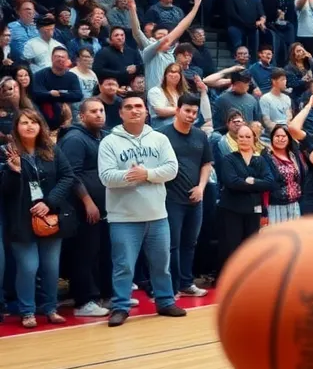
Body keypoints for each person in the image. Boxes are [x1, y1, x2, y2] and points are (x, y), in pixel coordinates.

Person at [98, 94, 187, 327]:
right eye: (129, 107)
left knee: (161, 264)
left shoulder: (159, 138)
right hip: (123, 218)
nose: (134, 110)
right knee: (123, 266)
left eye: (139, 106)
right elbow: (106, 177)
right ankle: (120, 306)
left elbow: (172, 169)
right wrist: (134, 176)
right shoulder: (109, 142)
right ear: (121, 113)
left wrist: (146, 174)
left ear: (146, 111)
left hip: (157, 215)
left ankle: (165, 301)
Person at [2, 109, 77, 328]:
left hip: (49, 216)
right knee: (28, 267)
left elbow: (68, 176)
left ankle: (51, 308)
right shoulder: (6, 151)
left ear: (40, 126)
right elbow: (4, 189)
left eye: (34, 122)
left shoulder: (52, 149)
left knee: (51, 267)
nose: (29, 126)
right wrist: (13, 172)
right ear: (16, 127)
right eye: (24, 122)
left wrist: (49, 202)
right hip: (20, 219)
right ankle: (27, 311)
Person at [58, 98, 112, 318]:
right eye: (93, 111)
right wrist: (88, 202)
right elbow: (72, 175)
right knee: (84, 254)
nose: (99, 114)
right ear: (82, 116)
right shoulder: (75, 139)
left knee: (103, 252)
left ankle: (105, 295)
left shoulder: (105, 137)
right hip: (82, 209)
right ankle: (84, 301)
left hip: (106, 207)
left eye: (101, 110)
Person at [163, 94, 213, 298]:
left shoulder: (200, 135)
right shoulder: (162, 135)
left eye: (195, 112)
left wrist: (201, 187)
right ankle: (172, 286)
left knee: (190, 243)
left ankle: (186, 282)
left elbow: (206, 163)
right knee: (172, 244)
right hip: (170, 199)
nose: (191, 115)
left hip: (196, 198)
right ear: (177, 110)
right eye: (187, 111)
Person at [217, 125, 276, 268]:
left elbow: (270, 182)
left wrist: (252, 181)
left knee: (251, 246)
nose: (244, 140)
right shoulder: (228, 159)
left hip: (253, 210)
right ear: (236, 139)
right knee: (232, 247)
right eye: (241, 137)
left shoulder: (260, 160)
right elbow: (232, 182)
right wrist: (255, 184)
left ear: (254, 139)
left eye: (247, 136)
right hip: (232, 210)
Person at [263, 123, 305, 225]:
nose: (280, 139)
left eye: (283, 136)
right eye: (277, 136)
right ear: (272, 138)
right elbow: (265, 185)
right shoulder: (266, 156)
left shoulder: (294, 155)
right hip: (275, 207)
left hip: (294, 205)